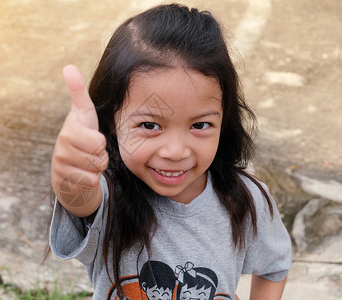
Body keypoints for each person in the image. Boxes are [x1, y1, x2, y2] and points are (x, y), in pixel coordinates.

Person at [48, 3, 291, 300]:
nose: (176, 151)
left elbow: (274, 266)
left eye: (200, 124)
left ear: (224, 119)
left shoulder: (248, 200)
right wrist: (71, 175)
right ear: (112, 119)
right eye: (150, 125)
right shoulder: (112, 193)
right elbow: (82, 200)